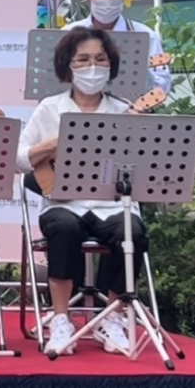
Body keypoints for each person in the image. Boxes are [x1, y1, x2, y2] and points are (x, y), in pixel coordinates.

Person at [17, 27, 146, 357]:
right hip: (63, 203)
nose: (93, 67)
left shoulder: (123, 109)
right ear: (68, 65)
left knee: (132, 231)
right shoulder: (50, 108)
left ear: (111, 65)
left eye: (100, 59)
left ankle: (111, 317)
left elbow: (143, 165)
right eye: (83, 60)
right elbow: (18, 159)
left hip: (111, 204)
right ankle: (61, 318)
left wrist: (140, 132)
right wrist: (50, 145)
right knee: (64, 228)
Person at [65, 0, 172, 93]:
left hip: (128, 106)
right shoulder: (67, 34)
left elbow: (163, 86)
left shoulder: (145, 35)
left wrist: (145, 76)